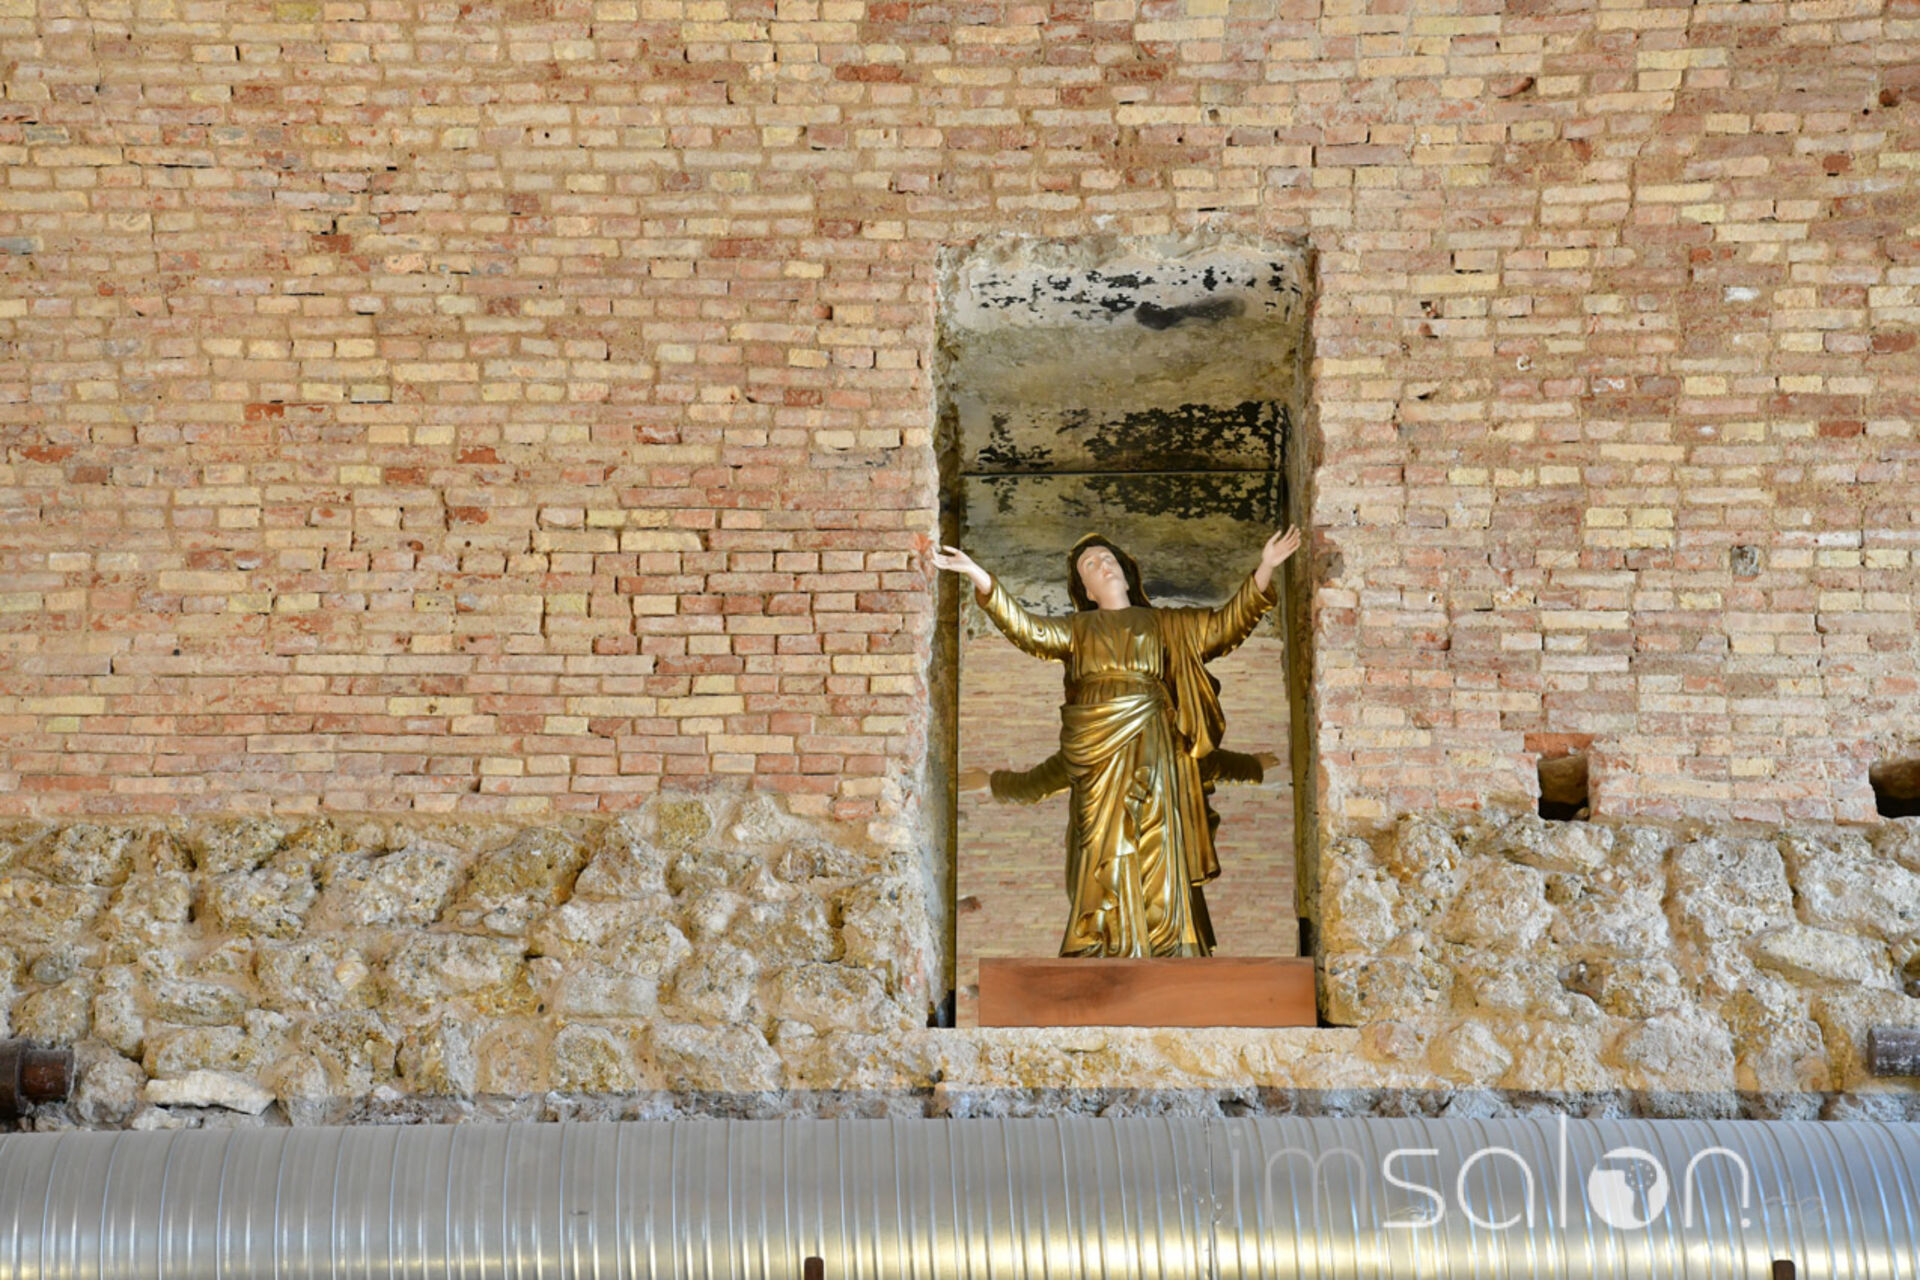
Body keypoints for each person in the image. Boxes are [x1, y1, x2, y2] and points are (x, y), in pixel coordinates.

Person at [934, 527, 1300, 957]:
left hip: (1154, 741)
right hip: (1096, 745)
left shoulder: (1165, 625)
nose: (1102, 565)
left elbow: (1224, 626)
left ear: (1126, 573)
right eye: (1090, 565)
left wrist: (1266, 567)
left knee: (1159, 842)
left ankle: (1166, 951)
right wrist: (978, 575)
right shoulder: (1079, 629)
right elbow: (1030, 630)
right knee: (1101, 848)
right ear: (1087, 591)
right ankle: (1107, 946)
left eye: (1107, 559)